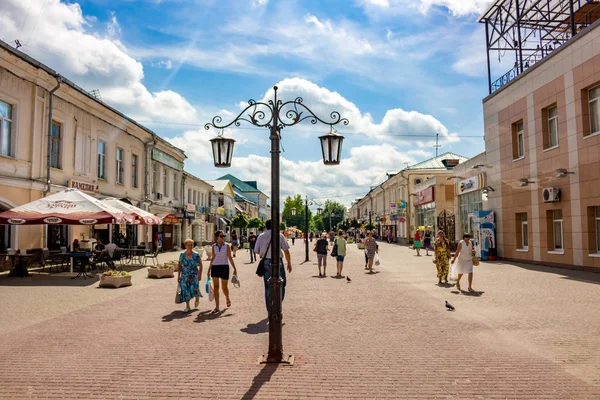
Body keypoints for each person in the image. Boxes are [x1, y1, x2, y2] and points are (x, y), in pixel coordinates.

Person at [254, 219, 292, 312]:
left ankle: (270, 310)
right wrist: (289, 263)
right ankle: (277, 304)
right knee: (282, 283)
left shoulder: (261, 236)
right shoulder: (280, 236)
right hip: (278, 262)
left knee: (267, 287)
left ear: (266, 227)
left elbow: (256, 250)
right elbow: (286, 251)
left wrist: (263, 254)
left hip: (266, 261)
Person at [207, 231, 237, 313]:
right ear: (217, 237)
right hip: (215, 267)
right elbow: (213, 257)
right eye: (221, 236)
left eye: (224, 236)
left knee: (224, 288)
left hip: (224, 267)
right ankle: (217, 307)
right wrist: (209, 269)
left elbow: (230, 257)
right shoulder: (214, 246)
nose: (223, 237)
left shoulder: (227, 245)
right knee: (216, 287)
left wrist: (234, 268)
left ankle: (227, 297)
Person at [178, 239, 202, 313]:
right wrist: (178, 276)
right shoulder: (182, 255)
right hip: (184, 276)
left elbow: (201, 265)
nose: (190, 246)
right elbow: (179, 265)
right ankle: (187, 306)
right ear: (185, 246)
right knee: (185, 291)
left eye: (191, 245)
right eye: (188, 245)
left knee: (194, 289)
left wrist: (200, 275)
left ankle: (197, 298)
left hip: (194, 276)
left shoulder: (196, 255)